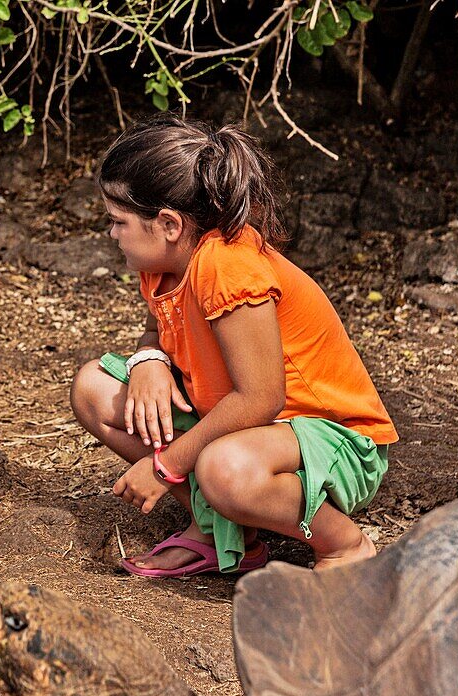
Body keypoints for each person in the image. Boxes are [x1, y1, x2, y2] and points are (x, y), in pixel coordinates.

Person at [70, 115, 397, 576]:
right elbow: (155, 331)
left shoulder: (227, 266)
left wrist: (163, 467)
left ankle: (343, 544)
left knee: (223, 469)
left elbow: (262, 398)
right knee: (93, 388)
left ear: (167, 223)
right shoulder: (163, 261)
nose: (111, 233)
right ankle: (223, 531)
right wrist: (148, 361)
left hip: (329, 439)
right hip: (239, 427)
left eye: (118, 221)